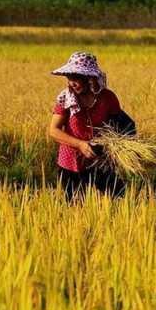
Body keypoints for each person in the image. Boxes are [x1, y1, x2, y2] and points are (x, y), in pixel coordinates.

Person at [48, 51, 128, 201]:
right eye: (69, 78)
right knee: (73, 207)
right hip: (71, 162)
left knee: (119, 198)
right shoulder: (65, 98)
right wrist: (80, 145)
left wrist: (115, 145)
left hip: (100, 160)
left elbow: (118, 125)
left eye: (76, 78)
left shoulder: (107, 98)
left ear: (90, 78)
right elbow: (54, 130)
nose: (72, 83)